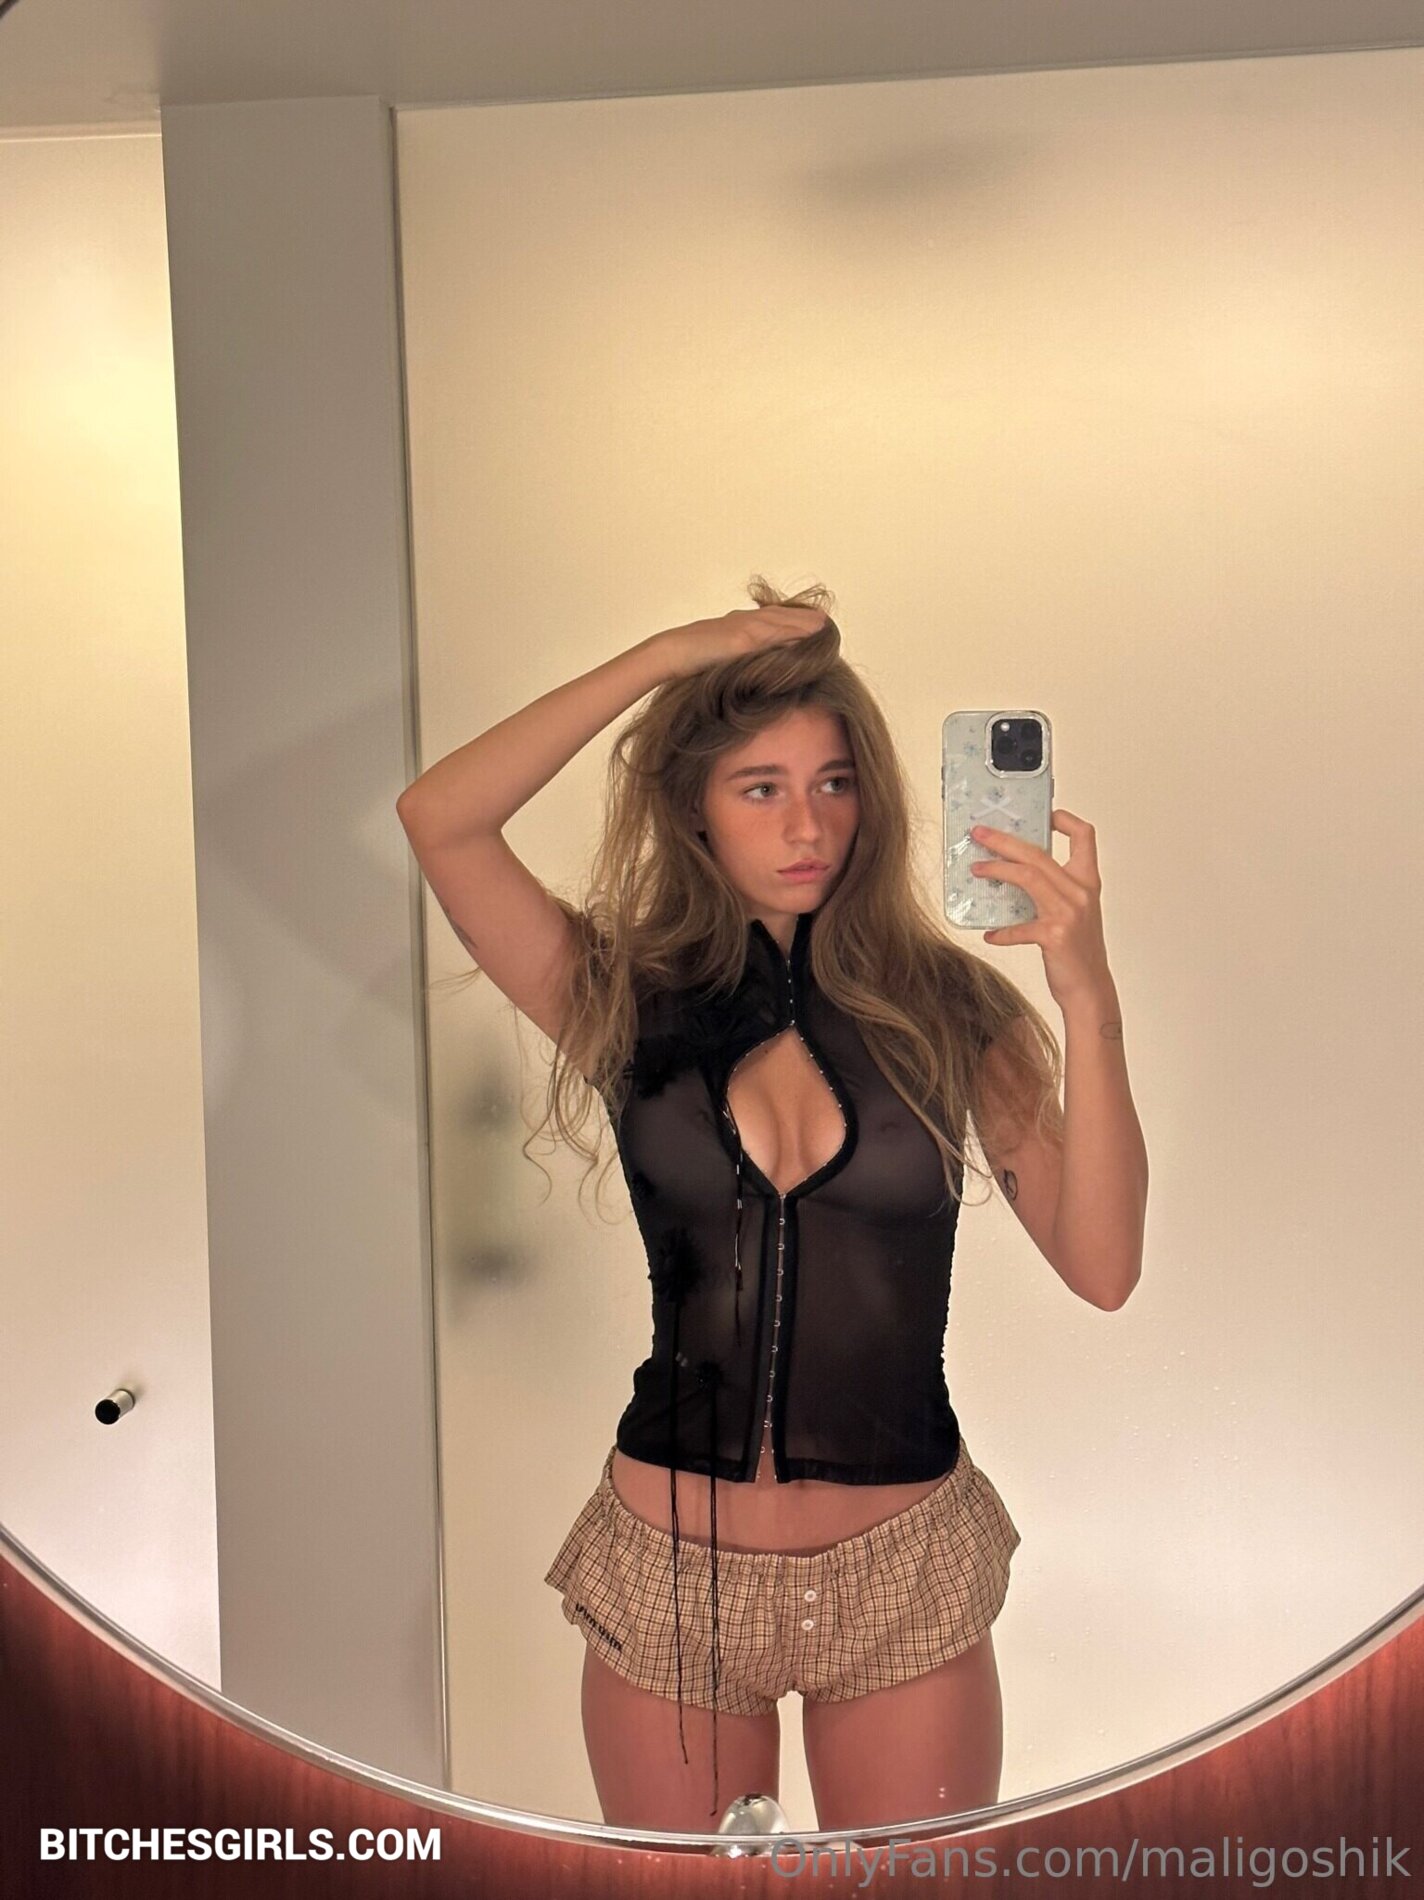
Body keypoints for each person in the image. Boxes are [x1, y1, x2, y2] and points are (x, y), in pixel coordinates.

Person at [396, 580, 1145, 1833]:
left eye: (834, 782)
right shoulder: (620, 999)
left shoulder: (952, 1014)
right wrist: (666, 656)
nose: (808, 824)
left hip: (901, 1567)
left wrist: (1086, 996)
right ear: (692, 805)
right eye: (760, 787)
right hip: (669, 1565)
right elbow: (441, 818)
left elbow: (1103, 1265)